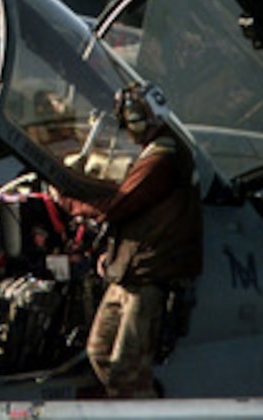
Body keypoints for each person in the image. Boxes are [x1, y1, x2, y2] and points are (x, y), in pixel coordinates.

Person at [57, 81, 202, 398]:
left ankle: (143, 405)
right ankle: (138, 400)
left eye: (134, 120)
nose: (129, 130)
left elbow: (120, 206)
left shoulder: (164, 157)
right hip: (126, 274)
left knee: (126, 369)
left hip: (149, 279)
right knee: (99, 352)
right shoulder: (154, 152)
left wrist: (68, 200)